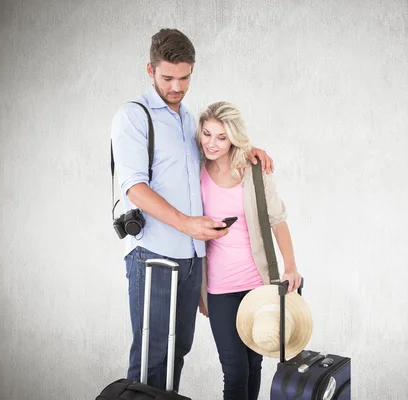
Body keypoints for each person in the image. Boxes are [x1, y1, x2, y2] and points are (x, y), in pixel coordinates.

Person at [110, 28, 274, 393]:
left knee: (176, 351)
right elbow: (134, 187)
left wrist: (248, 151)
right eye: (168, 77)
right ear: (150, 69)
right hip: (153, 255)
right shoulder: (133, 117)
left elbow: (215, 151)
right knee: (153, 353)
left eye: (184, 77)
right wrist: (187, 224)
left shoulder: (188, 120)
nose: (177, 86)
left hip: (191, 260)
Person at [196, 101, 303, 400]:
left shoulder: (254, 170)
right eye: (207, 134)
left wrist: (290, 266)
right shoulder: (195, 169)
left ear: (233, 137)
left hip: (258, 284)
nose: (212, 143)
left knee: (254, 363)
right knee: (234, 370)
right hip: (219, 288)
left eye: (221, 137)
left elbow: (277, 220)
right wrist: (200, 291)